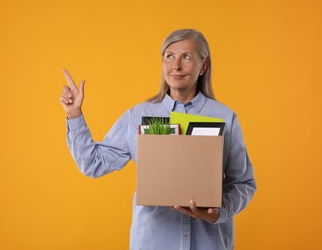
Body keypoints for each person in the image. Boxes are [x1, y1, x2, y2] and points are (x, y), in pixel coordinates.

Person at [60, 29, 256, 250]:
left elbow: (243, 183)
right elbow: (93, 164)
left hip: (209, 243)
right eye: (169, 56)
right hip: (153, 242)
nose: (176, 66)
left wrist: (218, 213)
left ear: (204, 66)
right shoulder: (137, 116)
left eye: (187, 57)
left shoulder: (225, 117)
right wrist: (74, 114)